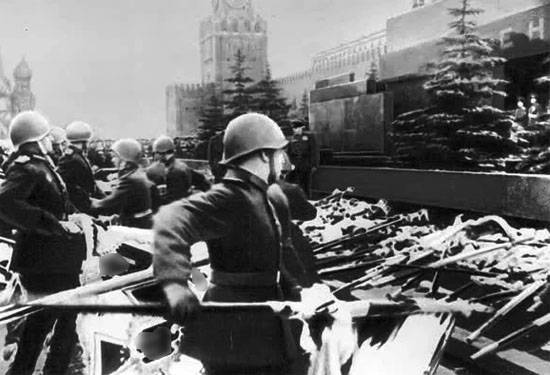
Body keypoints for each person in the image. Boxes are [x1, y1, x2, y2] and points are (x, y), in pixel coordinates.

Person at [153, 113, 303, 375]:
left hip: (264, 320)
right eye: (280, 154)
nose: (285, 163)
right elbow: (169, 221)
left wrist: (301, 294)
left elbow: (272, 260)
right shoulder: (228, 198)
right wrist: (176, 286)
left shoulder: (263, 195)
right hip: (232, 325)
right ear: (263, 155)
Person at [0, 111, 85, 375]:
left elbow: (54, 201)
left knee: (63, 320)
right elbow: (5, 201)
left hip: (54, 260)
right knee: (41, 325)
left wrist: (79, 217)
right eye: (47, 136)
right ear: (37, 139)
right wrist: (51, 223)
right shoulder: (27, 167)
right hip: (43, 262)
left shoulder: (40, 165)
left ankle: (52, 369)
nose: (52, 141)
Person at [90, 138, 157, 228]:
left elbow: (109, 204)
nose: (112, 160)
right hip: (141, 222)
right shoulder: (136, 173)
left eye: (115, 157)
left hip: (135, 225)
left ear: (124, 159)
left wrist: (89, 202)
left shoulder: (130, 179)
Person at [148, 135, 210, 205]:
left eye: (155, 153)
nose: (154, 157)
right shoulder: (184, 167)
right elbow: (204, 183)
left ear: (160, 153)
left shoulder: (154, 172)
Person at [58, 121, 104, 213]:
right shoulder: (71, 159)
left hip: (86, 202)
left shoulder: (77, 156)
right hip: (81, 207)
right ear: (85, 142)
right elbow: (70, 188)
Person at [287, 119, 319, 198]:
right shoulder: (292, 138)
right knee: (296, 186)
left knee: (306, 186)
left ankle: (307, 201)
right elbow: (289, 153)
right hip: (295, 166)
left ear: (301, 127)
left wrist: (314, 164)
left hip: (306, 165)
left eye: (296, 128)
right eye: (294, 128)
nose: (294, 130)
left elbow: (314, 151)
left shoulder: (309, 136)